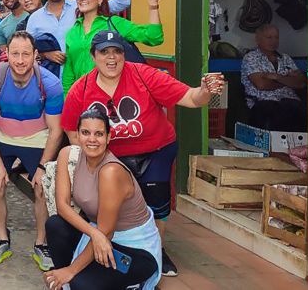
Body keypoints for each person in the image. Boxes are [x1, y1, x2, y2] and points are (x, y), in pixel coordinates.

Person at [61, 30, 224, 277]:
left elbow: (191, 98)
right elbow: (73, 131)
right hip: (111, 158)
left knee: (156, 200)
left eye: (117, 51)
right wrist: (90, 163)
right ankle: (105, 244)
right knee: (110, 205)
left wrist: (205, 91)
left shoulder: (144, 75)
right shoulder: (80, 89)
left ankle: (156, 250)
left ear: (124, 55)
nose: (111, 58)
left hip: (155, 149)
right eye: (104, 52)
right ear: (93, 56)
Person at [45, 108, 162, 290]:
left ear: (108, 138)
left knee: (80, 283)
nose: (92, 139)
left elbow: (106, 232)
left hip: (133, 249)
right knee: (55, 225)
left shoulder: (111, 172)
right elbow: (62, 206)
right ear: (77, 135)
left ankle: (133, 284)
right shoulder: (67, 154)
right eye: (85, 132)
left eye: (99, 134)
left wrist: (71, 270)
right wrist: (94, 234)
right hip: (99, 236)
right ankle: (68, 279)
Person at [0, 31, 64, 270]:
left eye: (26, 54)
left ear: (36, 55)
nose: (20, 60)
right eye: (15, 54)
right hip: (1, 136)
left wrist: (43, 166)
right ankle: (1, 238)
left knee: (42, 188)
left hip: (38, 139)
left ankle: (41, 243)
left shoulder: (51, 83)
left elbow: (56, 130)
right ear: (7, 55)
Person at [62, 0, 166, 94]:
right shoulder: (72, 33)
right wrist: (68, 102)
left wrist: (153, 5)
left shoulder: (114, 24)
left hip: (113, 95)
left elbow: (154, 37)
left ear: (100, 0)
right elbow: (69, 73)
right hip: (82, 97)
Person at [241, 23, 307, 131]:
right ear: (258, 39)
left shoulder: (285, 58)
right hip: (263, 101)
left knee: (300, 110)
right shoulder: (251, 58)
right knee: (274, 111)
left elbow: (300, 83)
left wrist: (276, 77)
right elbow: (261, 85)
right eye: (269, 37)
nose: (273, 41)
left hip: (290, 101)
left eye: (276, 37)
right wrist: (287, 80)